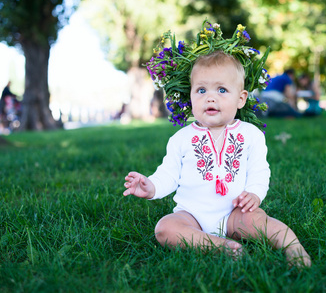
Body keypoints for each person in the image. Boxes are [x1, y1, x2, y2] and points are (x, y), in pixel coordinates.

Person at [123, 21, 311, 267]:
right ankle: (222, 247)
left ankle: (293, 246)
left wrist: (254, 192)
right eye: (201, 90)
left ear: (241, 99)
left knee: (258, 220)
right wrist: (151, 187)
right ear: (190, 97)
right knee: (165, 227)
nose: (210, 96)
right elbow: (168, 174)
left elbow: (259, 171)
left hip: (236, 213)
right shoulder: (181, 138)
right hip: (192, 215)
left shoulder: (251, 134)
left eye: (222, 90)